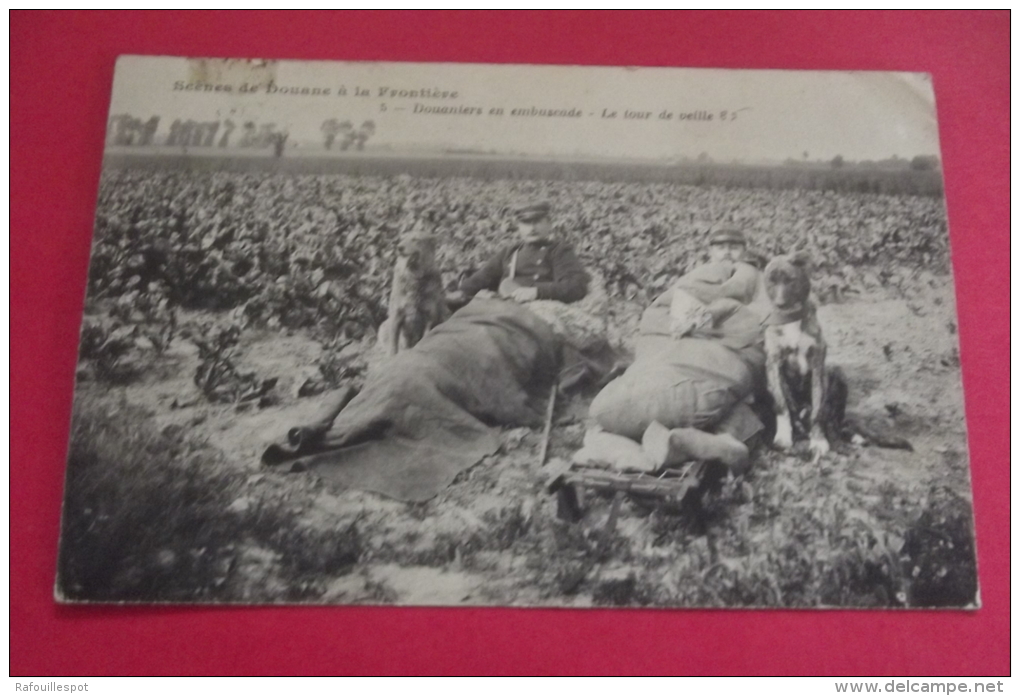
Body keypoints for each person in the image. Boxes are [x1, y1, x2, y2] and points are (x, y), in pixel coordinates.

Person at [455, 201, 589, 304]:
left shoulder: (559, 250)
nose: (532, 228)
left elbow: (575, 286)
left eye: (537, 221)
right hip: (504, 306)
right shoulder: (510, 251)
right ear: (518, 226)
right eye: (526, 223)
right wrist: (457, 293)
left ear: (549, 223)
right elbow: (480, 278)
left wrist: (537, 292)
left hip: (539, 308)